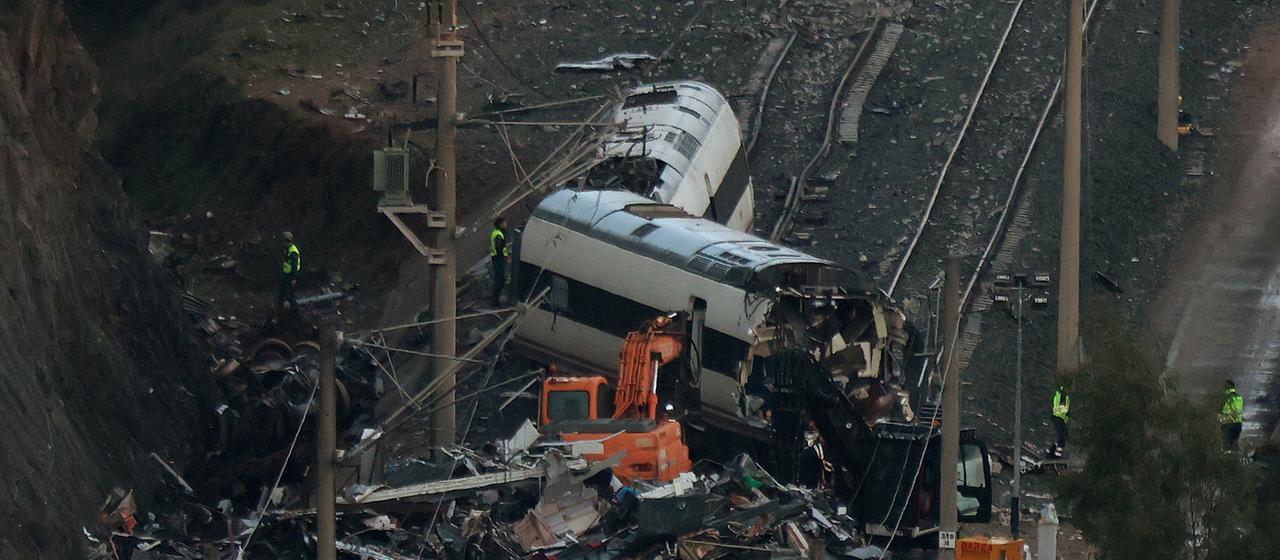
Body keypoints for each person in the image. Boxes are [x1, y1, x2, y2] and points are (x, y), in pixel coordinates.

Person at [489, 217, 510, 308]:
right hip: (499, 260)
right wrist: (505, 256)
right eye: (505, 223)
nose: (506, 225)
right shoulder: (498, 234)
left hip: (497, 259)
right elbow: (500, 247)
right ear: (501, 224)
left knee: (500, 280)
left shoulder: (497, 233)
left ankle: (495, 301)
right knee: (500, 280)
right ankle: (495, 302)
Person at [277, 231, 301, 311]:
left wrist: (293, 278)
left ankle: (295, 310)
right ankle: (279, 307)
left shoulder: (293, 251)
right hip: (286, 274)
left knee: (290, 294)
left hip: (290, 275)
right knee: (282, 291)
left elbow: (294, 266)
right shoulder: (287, 249)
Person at [1220, 379, 1245, 449]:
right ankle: (1237, 457)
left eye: (1225, 387)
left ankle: (1231, 458)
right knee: (1234, 444)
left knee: (1227, 446)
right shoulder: (1239, 397)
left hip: (1228, 425)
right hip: (1237, 424)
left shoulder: (1226, 398)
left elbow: (1222, 411)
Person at [1052, 384, 1070, 457]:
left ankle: (1059, 447)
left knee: (1063, 434)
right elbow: (1062, 406)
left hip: (1060, 417)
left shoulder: (1063, 393)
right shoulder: (1063, 394)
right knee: (1062, 434)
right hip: (1058, 417)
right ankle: (1059, 447)